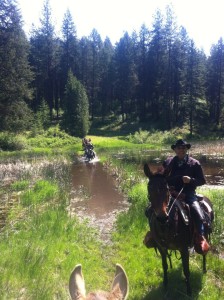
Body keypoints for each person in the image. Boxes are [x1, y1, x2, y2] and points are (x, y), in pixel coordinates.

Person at [144, 139, 210, 255]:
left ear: (186, 149)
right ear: (175, 149)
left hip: (188, 193)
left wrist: (191, 180)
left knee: (198, 212)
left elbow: (202, 181)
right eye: (179, 148)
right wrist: (155, 175)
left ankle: (200, 237)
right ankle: (154, 234)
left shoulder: (194, 163)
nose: (181, 150)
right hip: (170, 192)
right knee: (150, 210)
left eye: (183, 147)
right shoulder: (168, 162)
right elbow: (161, 175)